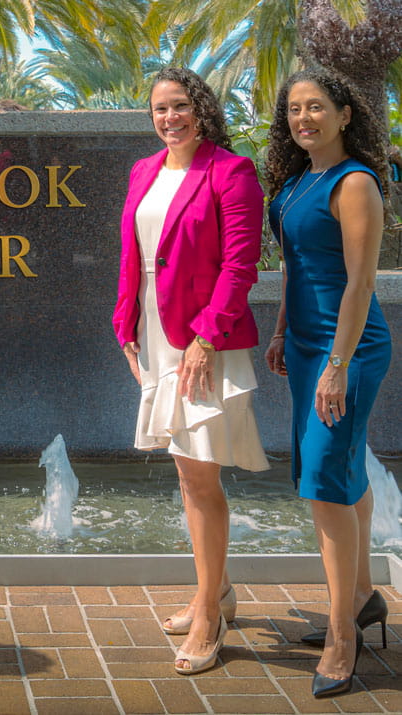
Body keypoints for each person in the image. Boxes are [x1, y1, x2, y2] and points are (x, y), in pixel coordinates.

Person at [113, 67, 270, 675]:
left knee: (201, 478)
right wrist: (124, 325)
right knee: (186, 472)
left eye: (179, 106)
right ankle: (218, 590)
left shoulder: (231, 171)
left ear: (201, 109)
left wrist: (206, 336)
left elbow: (241, 265)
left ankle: (209, 614)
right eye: (158, 109)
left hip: (206, 334)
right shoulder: (143, 171)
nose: (168, 118)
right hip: (155, 333)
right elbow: (134, 253)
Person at [264, 66, 391, 698]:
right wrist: (284, 331)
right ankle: (364, 596)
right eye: (294, 111)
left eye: (316, 108)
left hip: (351, 347)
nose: (303, 119)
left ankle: (344, 637)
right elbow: (293, 267)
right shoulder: (293, 184)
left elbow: (360, 284)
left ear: (344, 114)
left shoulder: (356, 182)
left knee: (323, 482)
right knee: (340, 472)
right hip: (309, 344)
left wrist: (337, 366)